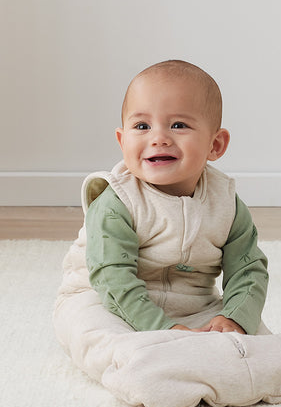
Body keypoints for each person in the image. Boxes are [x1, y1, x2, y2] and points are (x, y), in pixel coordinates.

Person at [57, 59, 269, 336]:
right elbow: (112, 279)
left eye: (178, 125)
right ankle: (169, 364)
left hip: (195, 306)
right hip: (106, 301)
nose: (159, 138)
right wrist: (166, 330)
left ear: (215, 145)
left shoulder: (225, 203)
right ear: (122, 142)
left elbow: (248, 269)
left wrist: (234, 319)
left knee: (251, 341)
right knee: (104, 340)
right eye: (142, 126)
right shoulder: (117, 201)